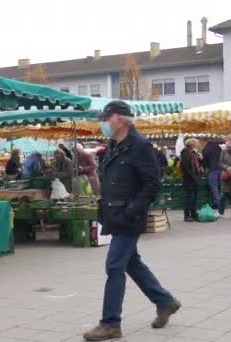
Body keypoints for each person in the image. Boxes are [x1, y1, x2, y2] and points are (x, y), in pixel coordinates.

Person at [83, 100, 180, 341]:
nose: (104, 123)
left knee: (114, 265)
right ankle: (165, 301)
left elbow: (152, 183)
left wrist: (133, 209)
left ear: (121, 119)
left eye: (107, 118)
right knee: (130, 262)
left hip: (128, 216)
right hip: (114, 214)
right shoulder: (114, 145)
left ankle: (110, 323)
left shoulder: (140, 145)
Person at [180, 138, 201, 222]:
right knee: (190, 197)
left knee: (194, 197)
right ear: (192, 144)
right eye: (196, 144)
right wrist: (193, 176)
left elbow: (197, 165)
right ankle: (187, 215)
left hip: (195, 178)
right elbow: (185, 167)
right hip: (189, 179)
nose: (197, 145)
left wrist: (200, 158)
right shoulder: (185, 152)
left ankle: (193, 214)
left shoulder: (193, 152)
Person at [201, 140, 222, 214]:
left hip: (212, 170)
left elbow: (204, 161)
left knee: (214, 188)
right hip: (221, 169)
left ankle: (218, 204)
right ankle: (220, 203)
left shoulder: (205, 149)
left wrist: (203, 167)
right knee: (220, 187)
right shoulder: (218, 147)